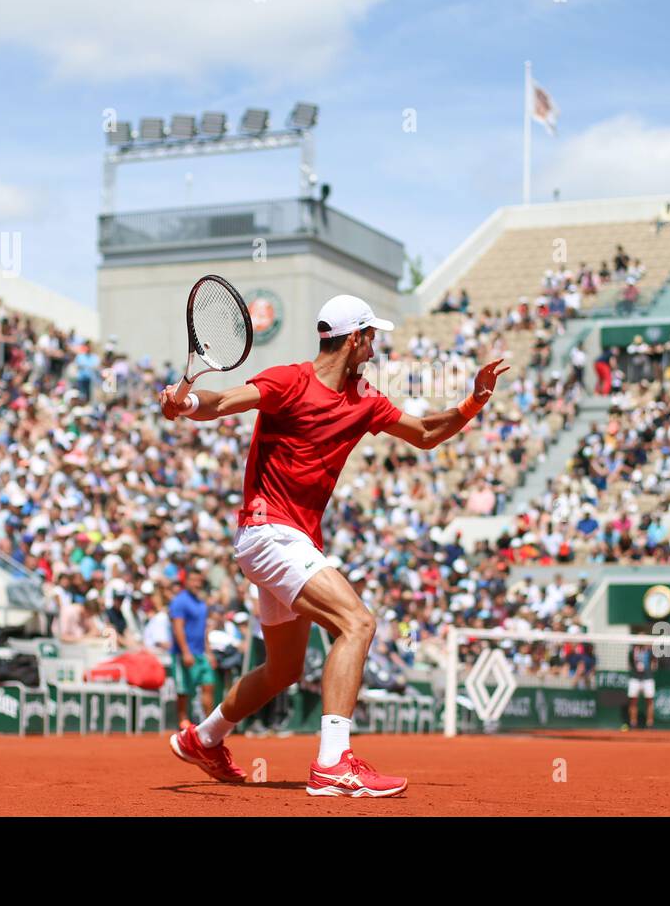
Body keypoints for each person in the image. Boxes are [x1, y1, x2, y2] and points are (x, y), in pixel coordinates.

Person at [159, 293, 508, 798]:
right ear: (357, 338)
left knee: (285, 668)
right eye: (373, 337)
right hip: (267, 532)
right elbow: (222, 402)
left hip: (290, 537)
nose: (376, 346)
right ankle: (332, 763)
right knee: (358, 623)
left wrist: (475, 399)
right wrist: (186, 402)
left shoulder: (364, 398)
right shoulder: (288, 380)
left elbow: (428, 432)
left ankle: (204, 738)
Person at [169, 570, 215, 730]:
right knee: (184, 691)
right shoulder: (179, 601)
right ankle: (183, 723)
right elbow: (178, 628)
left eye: (199, 581)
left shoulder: (201, 603)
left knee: (209, 686)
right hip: (184, 654)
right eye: (193, 580)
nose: (197, 584)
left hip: (201, 653)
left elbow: (203, 630)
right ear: (186, 582)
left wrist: (208, 652)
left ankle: (209, 726)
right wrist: (186, 652)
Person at [624, 642, 656, 729]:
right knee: (633, 701)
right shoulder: (632, 652)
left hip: (647, 678)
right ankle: (633, 723)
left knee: (650, 701)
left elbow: (654, 662)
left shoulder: (650, 651)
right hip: (635, 678)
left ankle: (650, 724)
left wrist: (650, 670)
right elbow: (630, 663)